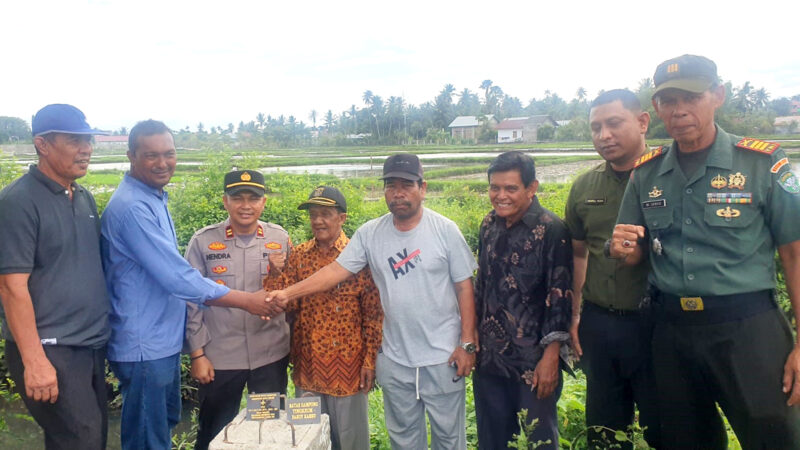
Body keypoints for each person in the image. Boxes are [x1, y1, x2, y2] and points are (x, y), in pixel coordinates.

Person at [611, 54, 800, 449]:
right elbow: (633, 251)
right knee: (683, 438)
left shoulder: (762, 162)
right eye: (669, 101)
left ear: (718, 96)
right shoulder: (647, 171)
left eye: (691, 98)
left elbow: (795, 255)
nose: (679, 111)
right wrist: (622, 249)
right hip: (673, 332)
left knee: (774, 435)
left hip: (748, 329)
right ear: (657, 108)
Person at [266, 154, 478, 449]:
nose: (398, 193)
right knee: (403, 440)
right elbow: (334, 272)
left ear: (423, 187)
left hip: (442, 357)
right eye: (391, 185)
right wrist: (286, 293)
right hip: (395, 359)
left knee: (448, 439)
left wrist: (467, 343)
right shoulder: (370, 234)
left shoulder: (445, 230)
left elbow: (464, 288)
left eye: (407, 185)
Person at [100, 120, 275, 449]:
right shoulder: (133, 208)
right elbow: (178, 277)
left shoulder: (154, 197)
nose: (162, 163)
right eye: (151, 155)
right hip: (144, 346)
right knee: (148, 439)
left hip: (162, 344)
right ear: (131, 156)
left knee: (162, 429)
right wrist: (247, 301)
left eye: (169, 154)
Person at [0, 104, 110, 449]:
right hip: (51, 350)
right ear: (43, 144)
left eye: (88, 140)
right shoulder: (18, 202)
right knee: (84, 441)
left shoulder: (84, 198)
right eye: (75, 140)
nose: (87, 148)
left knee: (83, 439)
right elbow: (10, 286)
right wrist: (35, 362)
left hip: (88, 346)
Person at [564, 90, 660, 448]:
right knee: (604, 428)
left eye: (614, 123)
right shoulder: (586, 186)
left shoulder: (670, 178)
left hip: (658, 325)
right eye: (595, 127)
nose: (604, 135)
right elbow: (578, 255)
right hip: (601, 324)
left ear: (642, 121)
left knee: (664, 423)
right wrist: (575, 315)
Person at [263, 186, 383, 450]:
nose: (317, 221)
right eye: (314, 214)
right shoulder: (300, 255)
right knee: (308, 440)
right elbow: (285, 306)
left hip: (349, 369)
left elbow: (373, 315)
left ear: (342, 218)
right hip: (308, 368)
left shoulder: (359, 256)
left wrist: (370, 361)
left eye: (325, 214)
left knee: (351, 442)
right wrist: (274, 274)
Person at [184, 169, 291, 450]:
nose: (246, 205)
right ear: (225, 202)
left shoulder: (279, 238)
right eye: (238, 198)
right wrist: (197, 354)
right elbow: (190, 301)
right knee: (215, 434)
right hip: (221, 359)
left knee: (269, 432)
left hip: (269, 356)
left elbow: (292, 290)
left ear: (263, 202)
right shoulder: (203, 242)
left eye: (253, 198)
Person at [473, 151, 572, 449]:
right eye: (494, 187)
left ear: (532, 188)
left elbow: (560, 296)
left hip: (534, 363)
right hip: (490, 359)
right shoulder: (488, 224)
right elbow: (482, 284)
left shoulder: (551, 229)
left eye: (511, 188)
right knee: (492, 440)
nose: (500, 196)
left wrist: (551, 357)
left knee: (539, 441)